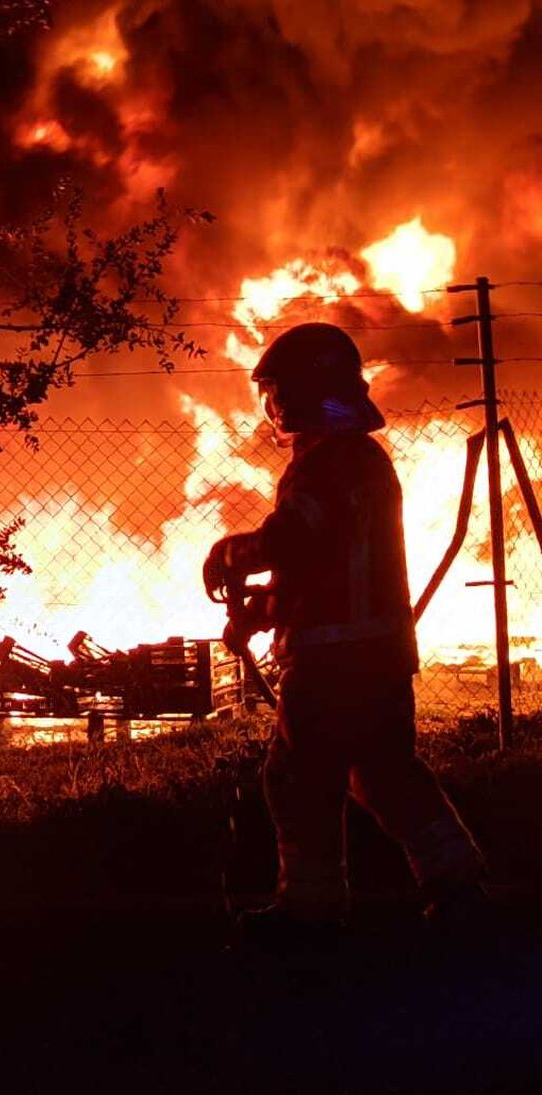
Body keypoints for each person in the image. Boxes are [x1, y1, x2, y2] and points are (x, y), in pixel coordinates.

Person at [202, 322, 485, 942]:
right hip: (380, 652)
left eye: (277, 389)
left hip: (331, 661)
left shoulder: (325, 463)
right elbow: (328, 567)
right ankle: (457, 879)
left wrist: (233, 552)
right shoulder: (362, 460)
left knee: (297, 779)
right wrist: (265, 611)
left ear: (308, 389)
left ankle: (309, 911)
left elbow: (294, 540)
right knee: (387, 773)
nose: (272, 405)